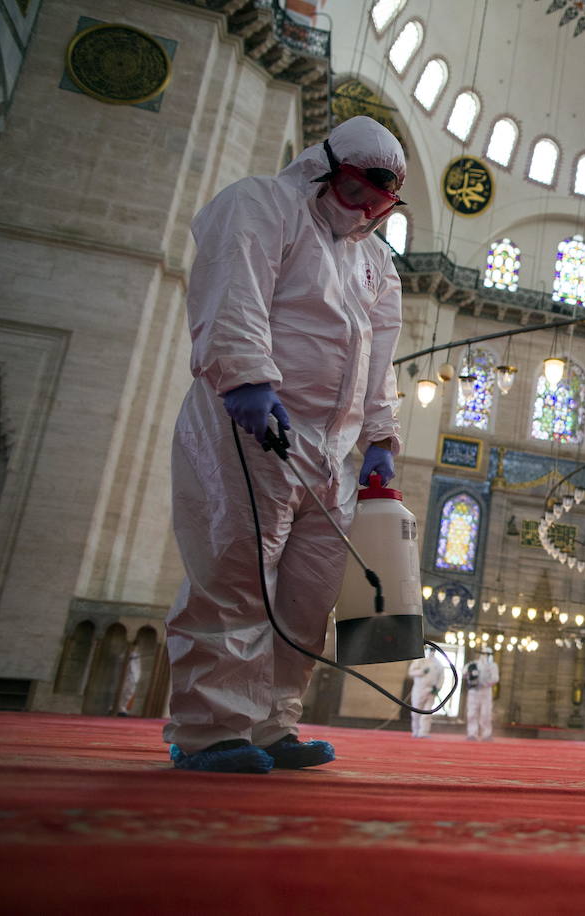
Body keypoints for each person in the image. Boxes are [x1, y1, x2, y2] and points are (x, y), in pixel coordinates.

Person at [163, 116, 407, 774]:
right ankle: (210, 730)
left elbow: (380, 357)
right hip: (252, 426)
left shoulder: (376, 261)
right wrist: (245, 376)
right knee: (236, 577)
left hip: (331, 452)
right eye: (356, 194)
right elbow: (233, 292)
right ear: (325, 170)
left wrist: (380, 437)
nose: (364, 214)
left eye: (381, 206)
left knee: (308, 593)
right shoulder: (261, 204)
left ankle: (272, 723)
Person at [408, 650, 446, 738]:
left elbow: (441, 678)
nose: (431, 652)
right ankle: (416, 731)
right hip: (419, 689)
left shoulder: (438, 664)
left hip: (430, 690)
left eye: (433, 650)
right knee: (416, 712)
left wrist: (437, 688)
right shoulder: (419, 660)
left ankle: (424, 732)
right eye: (430, 649)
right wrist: (421, 672)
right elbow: (411, 672)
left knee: (427, 712)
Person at [465, 647, 499, 741]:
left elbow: (495, 678)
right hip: (474, 691)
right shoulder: (473, 664)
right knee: (472, 713)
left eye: (488, 654)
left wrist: (485, 683)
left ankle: (486, 734)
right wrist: (470, 674)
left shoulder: (493, 666)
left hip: (486, 691)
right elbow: (464, 673)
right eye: (484, 654)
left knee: (486, 714)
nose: (486, 656)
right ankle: (472, 733)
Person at [116, 647, 143, 717]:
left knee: (130, 692)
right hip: (126, 676)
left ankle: (123, 708)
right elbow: (121, 659)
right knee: (123, 692)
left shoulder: (137, 655)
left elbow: (138, 667)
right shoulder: (125, 654)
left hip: (133, 677)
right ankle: (120, 709)